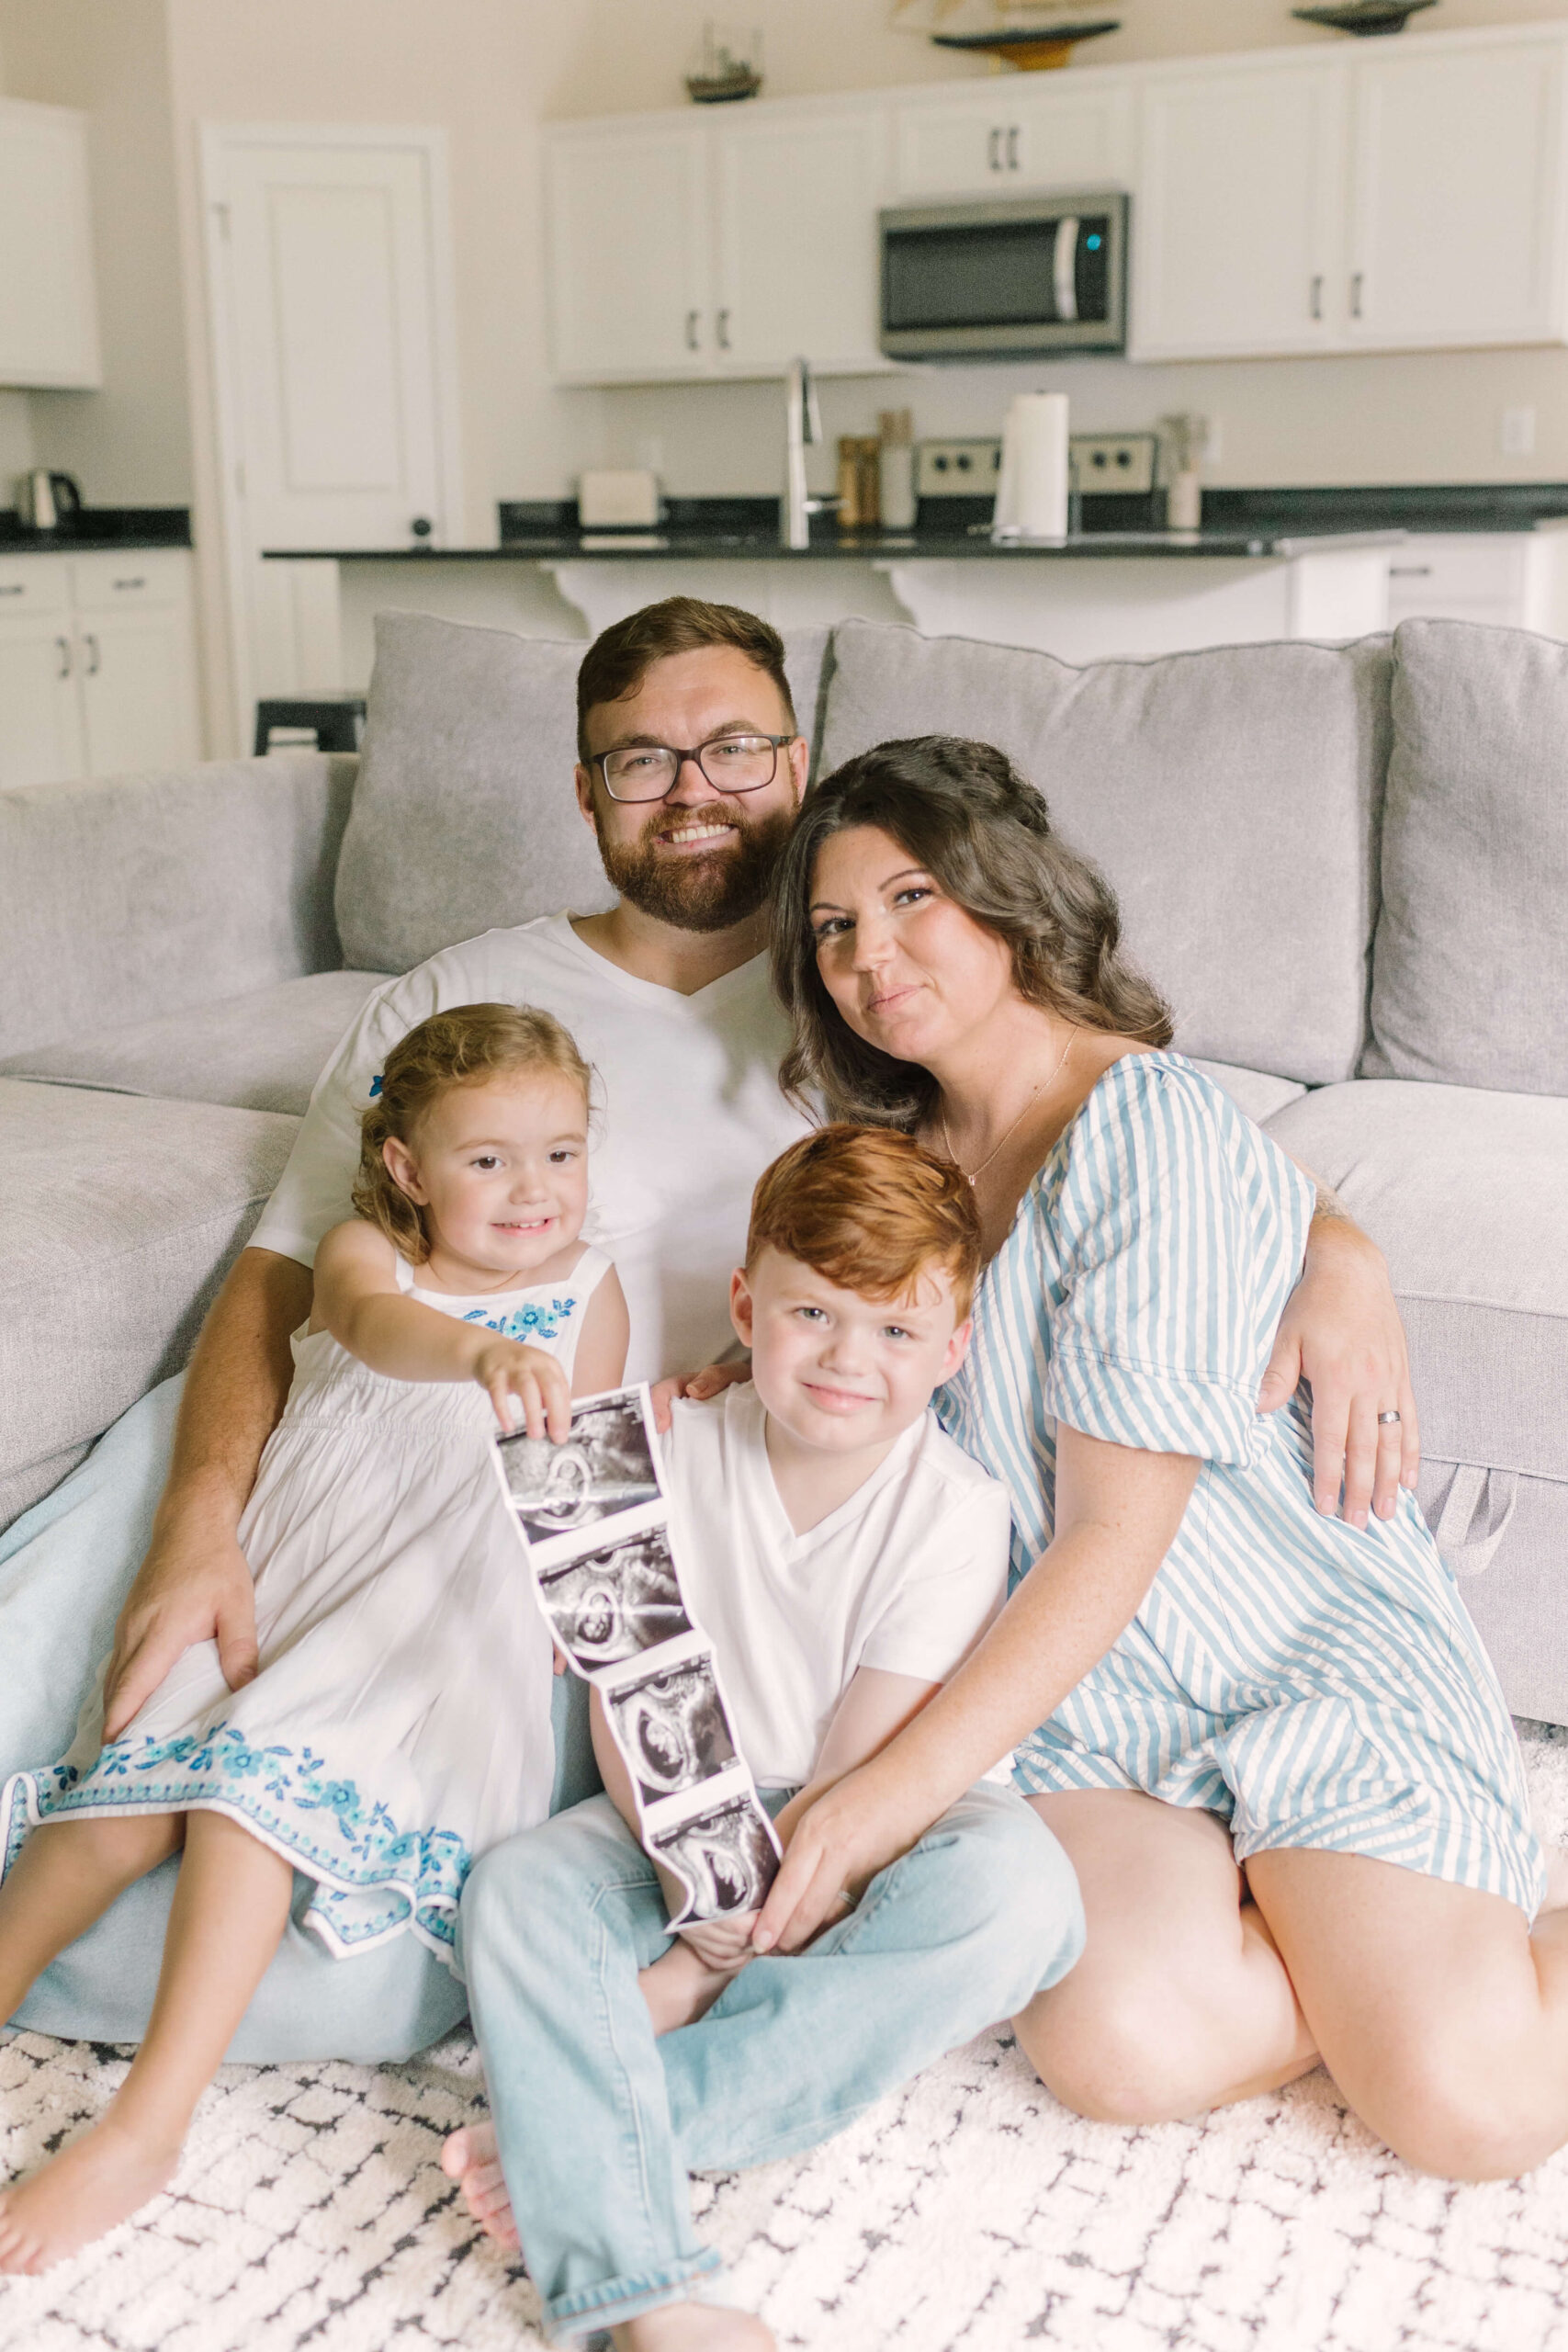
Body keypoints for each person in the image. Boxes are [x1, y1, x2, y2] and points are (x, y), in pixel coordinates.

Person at [7, 593, 1415, 2061]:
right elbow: (284, 1271)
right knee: (94, 1697)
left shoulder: (871, 1012)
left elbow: (1104, 1124)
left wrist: (1337, 1240)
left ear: (798, 768)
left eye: (735, 750)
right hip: (392, 1436)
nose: (693, 794)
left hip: (634, 1498)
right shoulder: (455, 997)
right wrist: (198, 1511)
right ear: (586, 791)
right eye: (642, 761)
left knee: (346, 1975)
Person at [742, 734, 1566, 2185]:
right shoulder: (906, 1163)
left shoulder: (1146, 1126)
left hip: (1297, 1662)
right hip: (1086, 1720)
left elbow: (1110, 1539)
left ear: (1008, 898)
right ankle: (1356, 1945)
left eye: (913, 896)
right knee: (1118, 2053)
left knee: (1470, 2112)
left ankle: (1414, 1943)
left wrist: (888, 1793)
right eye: (833, 927)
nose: (870, 954)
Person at [0, 1003, 626, 2273]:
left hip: (434, 1613)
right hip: (297, 1580)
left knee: (244, 1798)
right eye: (488, 1159)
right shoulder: (367, 1261)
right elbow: (373, 1333)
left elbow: (594, 1469)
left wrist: (589, 1609)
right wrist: (477, 1350)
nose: (533, 1191)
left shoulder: (587, 1289)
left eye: (561, 1154)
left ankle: (147, 2126)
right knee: (111, 1807)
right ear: (407, 1167)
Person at [457, 1125, 1082, 2350]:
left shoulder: (956, 1512)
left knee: (1026, 1895)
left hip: (872, 1813)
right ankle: (641, 2290)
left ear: (954, 1348)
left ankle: (582, 2136)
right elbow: (628, 1695)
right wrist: (696, 1899)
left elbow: (859, 1778)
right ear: (746, 1305)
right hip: (673, 1801)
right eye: (813, 1315)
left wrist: (702, 1970)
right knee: (519, 1891)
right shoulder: (652, 1444)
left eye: (897, 1332)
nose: (850, 1360)